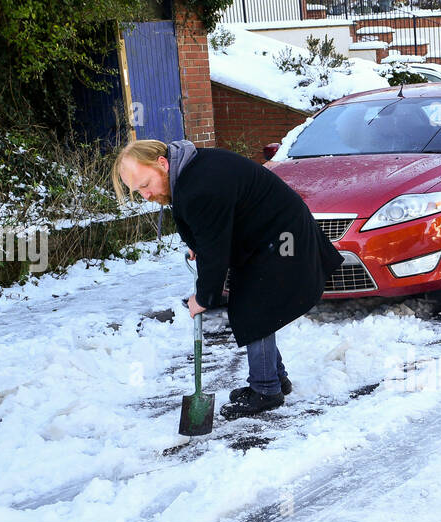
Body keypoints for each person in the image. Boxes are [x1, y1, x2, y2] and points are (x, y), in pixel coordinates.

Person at [112, 139, 342, 418]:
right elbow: (214, 223)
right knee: (254, 307)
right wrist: (200, 241)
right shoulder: (189, 172)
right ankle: (274, 378)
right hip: (270, 235)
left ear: (162, 164)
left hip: (283, 239)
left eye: (145, 185)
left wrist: (204, 296)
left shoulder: (197, 184)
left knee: (254, 308)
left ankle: (266, 390)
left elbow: (215, 252)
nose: (145, 195)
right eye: (138, 191)